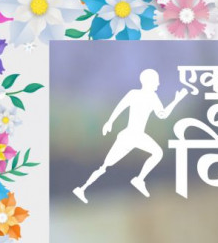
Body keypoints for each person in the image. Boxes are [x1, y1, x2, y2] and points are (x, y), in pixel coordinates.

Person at [77, 69, 189, 202]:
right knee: (105, 166)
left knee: (158, 153)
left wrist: (176, 100)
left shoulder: (153, 98)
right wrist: (110, 122)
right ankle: (82, 188)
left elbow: (162, 115)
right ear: (148, 81)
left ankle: (139, 179)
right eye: (156, 81)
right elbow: (121, 107)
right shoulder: (134, 94)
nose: (158, 84)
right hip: (129, 136)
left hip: (139, 136)